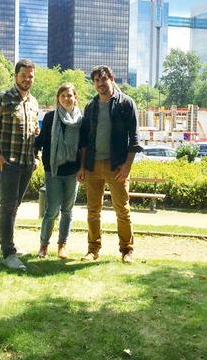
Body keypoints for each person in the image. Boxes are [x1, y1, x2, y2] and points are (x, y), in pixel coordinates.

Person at [0, 59, 39, 271]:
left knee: (14, 206)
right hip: (8, 164)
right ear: (15, 76)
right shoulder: (3, 98)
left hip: (26, 164)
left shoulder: (34, 103)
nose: (27, 79)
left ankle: (9, 246)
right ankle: (8, 252)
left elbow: (35, 134)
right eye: (23, 75)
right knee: (7, 206)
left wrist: (36, 157)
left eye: (30, 76)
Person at [78, 65, 142, 264]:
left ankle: (127, 250)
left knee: (122, 209)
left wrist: (127, 166)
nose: (100, 84)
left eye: (103, 80)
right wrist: (81, 167)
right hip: (92, 166)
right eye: (96, 81)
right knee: (92, 210)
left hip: (117, 166)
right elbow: (84, 140)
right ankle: (93, 250)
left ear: (111, 79)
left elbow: (134, 138)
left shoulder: (126, 103)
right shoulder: (91, 107)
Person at [34, 83, 82, 259]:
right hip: (53, 171)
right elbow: (41, 141)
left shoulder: (80, 120)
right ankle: (43, 245)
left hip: (72, 171)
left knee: (68, 211)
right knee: (52, 210)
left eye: (69, 95)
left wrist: (82, 168)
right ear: (58, 99)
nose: (66, 99)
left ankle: (62, 245)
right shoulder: (50, 117)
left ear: (75, 98)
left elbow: (83, 146)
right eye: (63, 96)